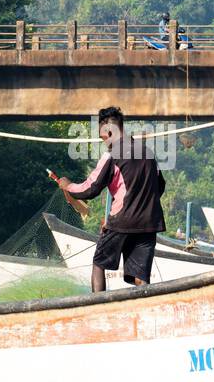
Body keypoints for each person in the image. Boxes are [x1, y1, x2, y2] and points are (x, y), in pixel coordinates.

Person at [55, 107, 166, 292]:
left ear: (109, 131)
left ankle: (98, 306)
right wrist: (140, 207)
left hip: (122, 221)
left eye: (103, 138)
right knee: (140, 278)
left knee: (99, 263)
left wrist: (67, 186)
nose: (104, 142)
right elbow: (159, 187)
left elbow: (90, 189)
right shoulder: (148, 154)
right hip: (149, 223)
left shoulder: (112, 156)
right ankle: (142, 310)